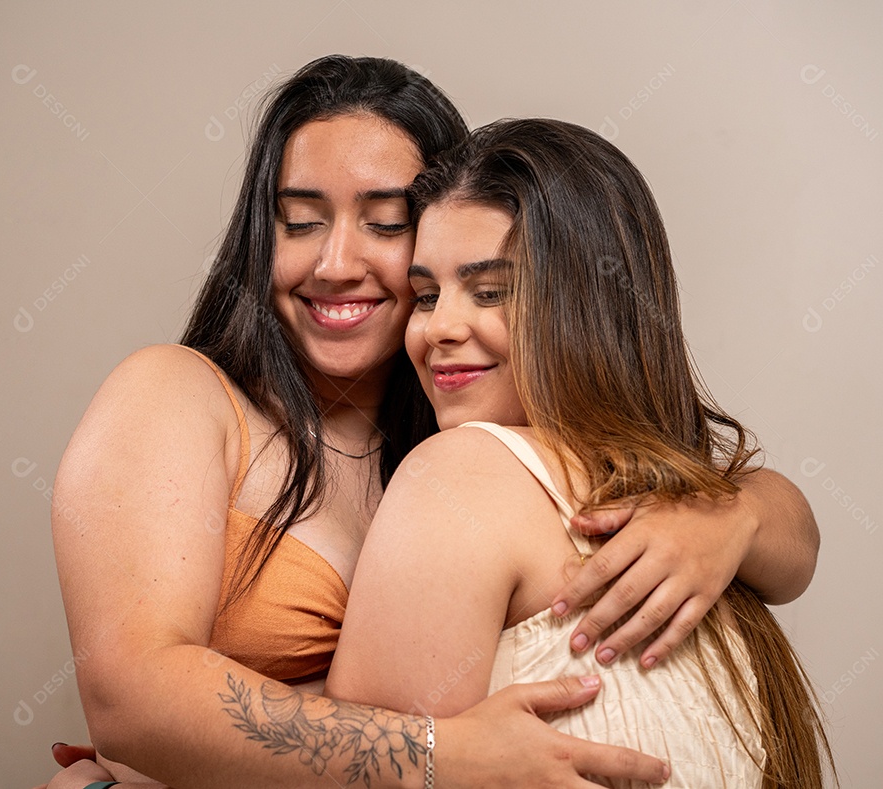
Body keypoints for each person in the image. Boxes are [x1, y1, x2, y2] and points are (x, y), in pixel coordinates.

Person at [40, 56, 819, 788]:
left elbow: (784, 534)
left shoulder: (463, 446)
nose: (335, 262)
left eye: (383, 222)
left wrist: (737, 514)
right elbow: (132, 698)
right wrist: (444, 754)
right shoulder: (179, 394)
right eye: (300, 220)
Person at [326, 118, 834, 787]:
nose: (438, 328)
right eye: (427, 294)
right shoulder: (696, 501)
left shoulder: (459, 475)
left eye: (492, 291)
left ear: (588, 302)